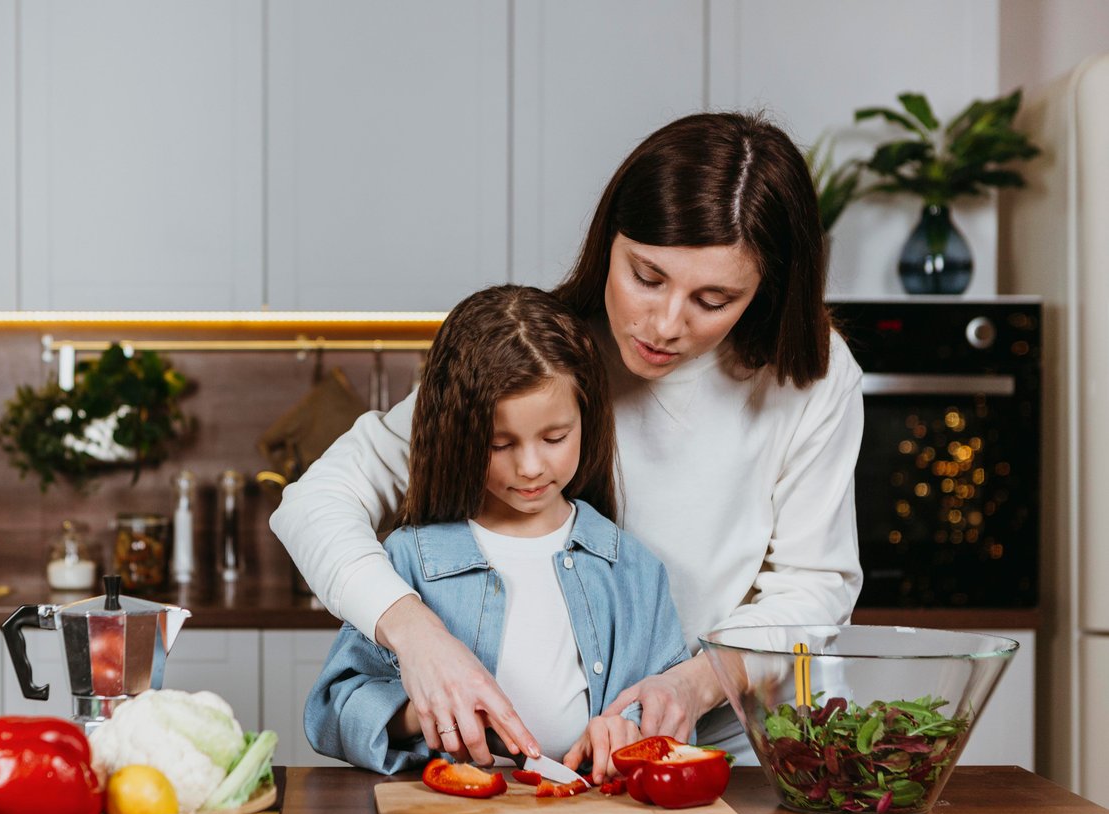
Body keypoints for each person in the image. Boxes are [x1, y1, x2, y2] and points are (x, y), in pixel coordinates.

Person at [273, 111, 864, 778]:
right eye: (646, 276)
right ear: (608, 240)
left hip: (737, 744)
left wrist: (693, 686)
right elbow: (316, 501)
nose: (665, 324)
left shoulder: (812, 376)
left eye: (714, 298)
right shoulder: (537, 361)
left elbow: (814, 586)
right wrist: (416, 637)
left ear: (766, 291)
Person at [303, 285, 688, 775]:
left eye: (554, 438)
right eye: (499, 443)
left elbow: (675, 719)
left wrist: (631, 730)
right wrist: (424, 713)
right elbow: (331, 713)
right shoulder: (409, 561)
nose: (530, 467)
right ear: (459, 438)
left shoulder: (632, 569)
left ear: (587, 419)